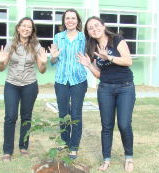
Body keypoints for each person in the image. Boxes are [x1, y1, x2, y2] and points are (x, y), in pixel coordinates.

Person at [76, 16, 135, 172]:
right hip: (105, 89)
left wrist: (109, 57)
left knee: (124, 125)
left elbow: (128, 61)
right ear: (88, 32)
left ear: (103, 26)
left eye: (97, 25)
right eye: (90, 28)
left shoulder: (116, 40)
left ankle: (129, 157)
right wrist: (89, 65)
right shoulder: (93, 47)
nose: (94, 29)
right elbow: (99, 74)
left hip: (125, 87)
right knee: (107, 126)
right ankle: (106, 159)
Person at [0, 17, 48, 162]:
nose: (26, 28)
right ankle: (7, 151)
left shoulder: (37, 47)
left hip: (29, 85)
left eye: (29, 27)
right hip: (12, 85)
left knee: (26, 117)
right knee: (10, 117)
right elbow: (2, 68)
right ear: (18, 28)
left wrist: (43, 62)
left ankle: (23, 146)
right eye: (23, 26)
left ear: (32, 31)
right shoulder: (9, 45)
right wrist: (0, 61)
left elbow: (42, 70)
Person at [48, 8, 87, 160]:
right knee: (63, 113)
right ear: (64, 21)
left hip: (79, 80)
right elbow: (53, 61)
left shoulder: (84, 38)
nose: (70, 20)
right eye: (67, 18)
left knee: (76, 114)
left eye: (73, 18)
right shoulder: (58, 37)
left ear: (77, 21)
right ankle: (64, 141)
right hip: (61, 80)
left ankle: (74, 146)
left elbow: (88, 56)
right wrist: (53, 57)